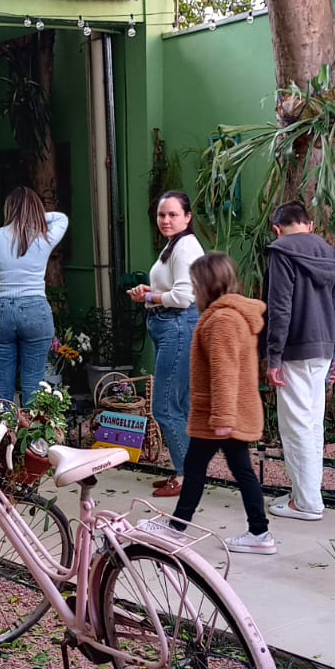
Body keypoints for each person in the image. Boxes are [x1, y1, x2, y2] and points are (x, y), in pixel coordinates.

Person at [150, 252, 276, 554]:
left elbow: (224, 371)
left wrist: (222, 418)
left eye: (195, 282)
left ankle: (181, 528)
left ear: (208, 283)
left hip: (220, 415)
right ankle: (257, 532)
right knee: (223, 469)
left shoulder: (222, 320)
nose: (193, 287)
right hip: (227, 412)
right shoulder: (231, 315)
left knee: (201, 468)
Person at [263, 199, 335, 521]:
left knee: (296, 426)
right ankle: (306, 495)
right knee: (311, 425)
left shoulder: (281, 251)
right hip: (322, 350)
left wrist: (273, 357)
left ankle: (306, 503)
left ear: (277, 229)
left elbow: (279, 308)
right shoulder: (329, 254)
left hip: (294, 350)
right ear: (310, 225)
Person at [127, 190, 204, 497]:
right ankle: (187, 472)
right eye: (162, 215)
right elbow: (173, 288)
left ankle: (188, 477)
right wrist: (151, 291)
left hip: (178, 326)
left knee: (164, 407)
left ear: (187, 217)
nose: (166, 220)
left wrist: (150, 295)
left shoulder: (185, 247)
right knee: (180, 406)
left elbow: (184, 297)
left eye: (173, 214)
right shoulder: (175, 245)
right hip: (171, 325)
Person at [0, 187, 68, 403]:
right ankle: (32, 425)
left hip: (1, 310)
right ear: (35, 209)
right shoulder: (43, 237)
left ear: (9, 209)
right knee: (33, 383)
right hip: (36, 310)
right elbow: (61, 218)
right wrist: (33, 215)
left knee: (2, 383)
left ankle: (4, 424)